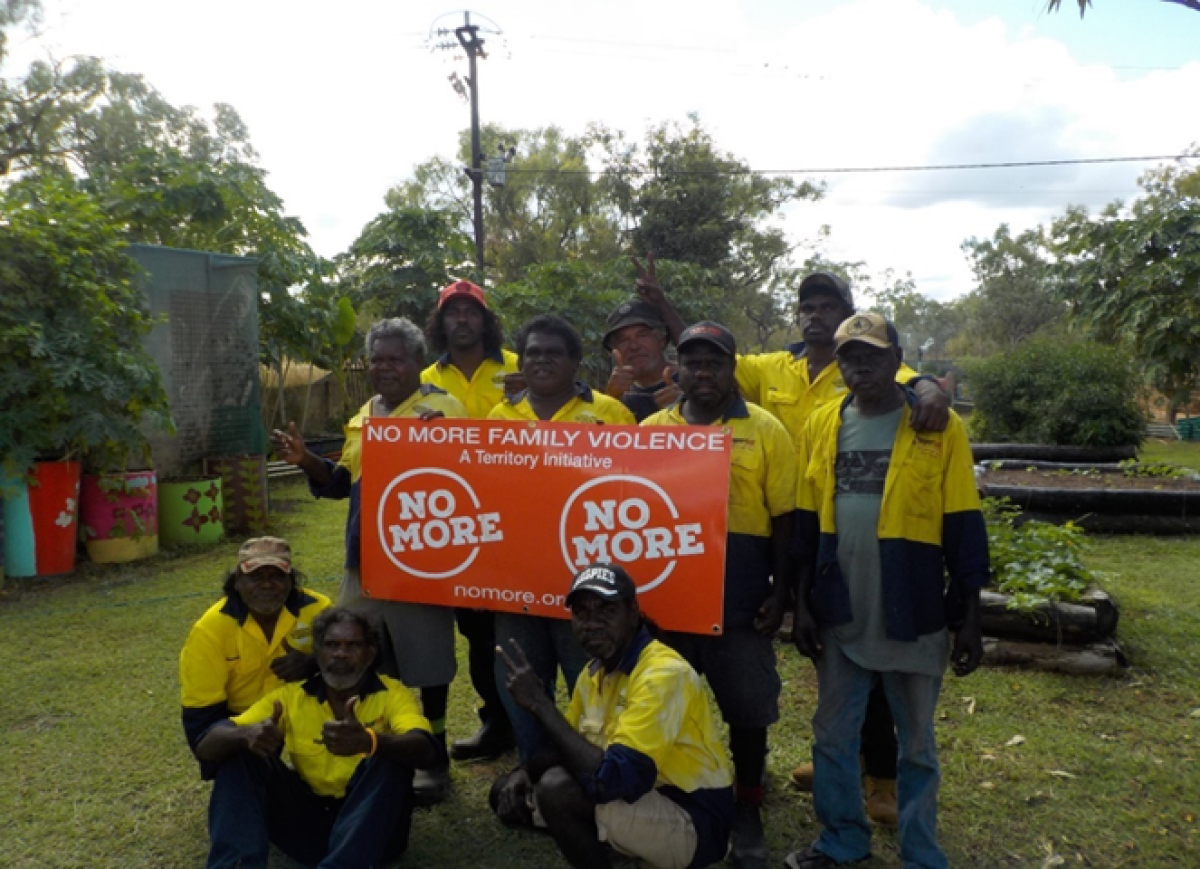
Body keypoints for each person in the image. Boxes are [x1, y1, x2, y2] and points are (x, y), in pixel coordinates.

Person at [653, 270, 951, 824]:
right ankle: (836, 764)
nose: (814, 313)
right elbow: (708, 355)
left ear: (846, 313)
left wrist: (933, 384)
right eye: (806, 305)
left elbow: (914, 379)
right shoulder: (773, 367)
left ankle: (880, 777)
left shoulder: (856, 365)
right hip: (801, 534)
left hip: (835, 523)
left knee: (877, 660)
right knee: (840, 670)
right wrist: (666, 304)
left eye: (826, 304)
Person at [784, 313, 989, 869]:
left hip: (913, 609)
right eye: (850, 357)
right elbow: (806, 525)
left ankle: (921, 853)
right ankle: (842, 839)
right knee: (832, 735)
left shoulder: (936, 425)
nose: (860, 367)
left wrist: (970, 615)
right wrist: (800, 604)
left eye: (872, 357)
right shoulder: (823, 423)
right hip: (840, 610)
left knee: (916, 746)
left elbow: (965, 523)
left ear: (897, 358)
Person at [270, 316, 465, 803]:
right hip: (365, 562)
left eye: (395, 359)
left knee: (428, 665)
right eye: (376, 359)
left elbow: (470, 475)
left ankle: (434, 755)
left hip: (421, 559)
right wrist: (305, 461)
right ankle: (383, 749)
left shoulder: (444, 407)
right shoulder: (366, 413)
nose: (384, 368)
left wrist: (448, 441)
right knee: (361, 651)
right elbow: (342, 482)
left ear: (418, 362)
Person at [641, 321, 796, 869]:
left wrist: (782, 597)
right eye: (693, 363)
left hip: (738, 601)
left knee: (747, 710)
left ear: (733, 369)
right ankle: (676, 793)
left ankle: (748, 805)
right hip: (669, 604)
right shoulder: (652, 429)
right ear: (677, 369)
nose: (703, 373)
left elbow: (785, 522)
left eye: (715, 363)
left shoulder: (766, 430)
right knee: (666, 705)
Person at [492, 563, 735, 869]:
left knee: (556, 791)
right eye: (581, 613)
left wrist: (541, 705)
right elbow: (566, 746)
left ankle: (626, 853)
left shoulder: (662, 674)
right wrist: (524, 771)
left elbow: (617, 782)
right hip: (642, 800)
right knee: (506, 792)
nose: (591, 623)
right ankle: (623, 852)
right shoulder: (595, 671)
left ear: (633, 614)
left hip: (694, 821)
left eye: (606, 610)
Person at [488, 314, 636, 763]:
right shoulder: (499, 417)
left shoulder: (612, 414)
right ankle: (536, 769)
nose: (542, 360)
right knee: (516, 676)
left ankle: (591, 770)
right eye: (532, 352)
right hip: (516, 579)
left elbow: (635, 488)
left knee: (588, 676)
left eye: (554, 352)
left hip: (588, 581)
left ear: (576, 361)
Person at [196, 607, 437, 868]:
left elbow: (425, 750)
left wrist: (370, 741)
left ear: (370, 654)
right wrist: (247, 734)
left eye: (353, 645)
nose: (341, 653)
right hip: (308, 823)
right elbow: (207, 746)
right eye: (331, 645)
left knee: (390, 755)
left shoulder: (393, 694)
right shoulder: (290, 697)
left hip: (374, 830)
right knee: (238, 751)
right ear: (318, 653)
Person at [421, 279, 520, 761]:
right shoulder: (421, 382)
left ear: (485, 321)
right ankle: (496, 723)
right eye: (452, 313)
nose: (462, 320)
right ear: (441, 323)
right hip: (459, 524)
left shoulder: (520, 369)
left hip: (520, 517)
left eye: (471, 312)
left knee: (522, 629)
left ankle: (531, 724)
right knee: (477, 631)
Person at [180, 536, 331, 777]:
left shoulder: (318, 609)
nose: (267, 585)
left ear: (291, 581)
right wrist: (244, 734)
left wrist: (312, 662)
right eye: (255, 576)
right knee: (240, 772)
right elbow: (202, 730)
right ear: (237, 582)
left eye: (277, 576)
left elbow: (356, 662)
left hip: (305, 709)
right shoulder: (209, 630)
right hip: (242, 722)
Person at [601, 255, 684, 422]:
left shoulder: (693, 381)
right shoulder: (619, 394)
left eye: (642, 335)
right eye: (623, 340)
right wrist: (610, 400)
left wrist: (687, 407)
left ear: (661, 339)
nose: (633, 346)